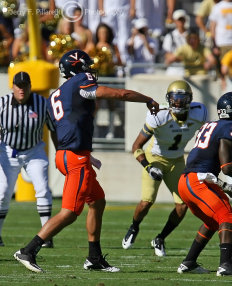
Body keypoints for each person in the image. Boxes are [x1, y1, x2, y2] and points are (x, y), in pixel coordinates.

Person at [13, 49, 159, 273]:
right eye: (86, 65)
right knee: (70, 212)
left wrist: (80, 152)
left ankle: (94, 257)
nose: (90, 69)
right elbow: (119, 95)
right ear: (77, 67)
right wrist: (147, 99)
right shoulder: (81, 83)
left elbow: (62, 127)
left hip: (66, 153)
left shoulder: (56, 95)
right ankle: (29, 250)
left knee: (97, 202)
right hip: (75, 157)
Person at [177, 92, 232, 276]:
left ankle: (189, 262)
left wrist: (222, 186)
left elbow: (204, 165)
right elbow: (227, 167)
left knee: (212, 222)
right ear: (231, 110)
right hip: (198, 182)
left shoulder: (210, 125)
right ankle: (225, 265)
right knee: (228, 218)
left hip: (187, 182)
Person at [122, 80, 208, 257]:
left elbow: (203, 138)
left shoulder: (199, 113)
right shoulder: (158, 115)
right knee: (146, 202)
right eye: (174, 99)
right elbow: (136, 146)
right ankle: (134, 227)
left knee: (183, 205)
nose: (177, 102)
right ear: (168, 99)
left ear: (189, 99)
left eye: (182, 99)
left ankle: (160, 238)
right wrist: (148, 166)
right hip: (155, 158)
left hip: (177, 160)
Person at [0, 72, 54, 248]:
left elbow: (54, 129)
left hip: (34, 151)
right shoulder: (2, 104)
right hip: (8, 150)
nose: (21, 89)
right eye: (18, 86)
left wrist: (60, 152)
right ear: (13, 86)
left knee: (43, 190)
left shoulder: (42, 103)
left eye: (25, 86)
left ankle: (46, 236)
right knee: (3, 194)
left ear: (30, 86)